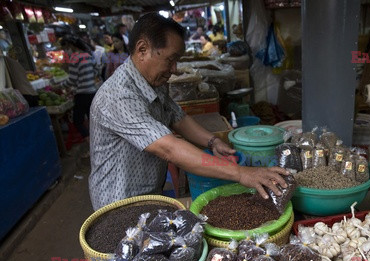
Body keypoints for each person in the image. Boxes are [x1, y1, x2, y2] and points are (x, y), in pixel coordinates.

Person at [89, 13, 288, 210]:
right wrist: (241, 173)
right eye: (170, 59)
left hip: (148, 194)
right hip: (118, 205)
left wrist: (213, 141)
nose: (174, 69)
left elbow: (178, 117)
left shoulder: (154, 82)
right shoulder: (118, 96)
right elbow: (169, 148)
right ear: (142, 50)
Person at [61, 35, 97, 153]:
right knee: (92, 121)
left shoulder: (75, 58)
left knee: (77, 121)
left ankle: (92, 146)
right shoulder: (89, 55)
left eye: (65, 48)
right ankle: (97, 143)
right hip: (92, 92)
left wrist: (59, 86)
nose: (66, 51)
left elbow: (72, 80)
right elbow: (97, 70)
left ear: (70, 46)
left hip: (81, 94)